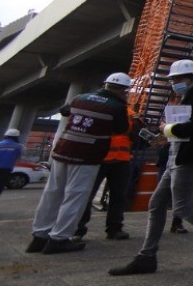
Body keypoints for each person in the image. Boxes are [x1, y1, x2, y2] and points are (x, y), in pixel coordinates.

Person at [110, 59, 193, 276]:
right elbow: (188, 131)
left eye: (179, 79)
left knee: (182, 207)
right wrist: (166, 137)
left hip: (188, 159)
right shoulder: (188, 98)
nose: (174, 83)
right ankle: (147, 256)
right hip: (178, 157)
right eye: (173, 79)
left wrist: (168, 128)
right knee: (156, 204)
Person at [27, 72, 130, 254]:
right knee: (75, 197)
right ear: (123, 90)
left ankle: (39, 236)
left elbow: (64, 111)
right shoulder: (117, 106)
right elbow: (121, 129)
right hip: (87, 156)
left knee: (52, 193)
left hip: (63, 151)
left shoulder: (80, 97)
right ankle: (59, 238)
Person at [74, 73, 136, 241]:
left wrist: (138, 128)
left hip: (122, 158)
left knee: (119, 196)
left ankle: (114, 228)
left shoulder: (128, 110)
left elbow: (130, 135)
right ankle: (78, 228)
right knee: (86, 194)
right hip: (99, 157)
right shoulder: (104, 106)